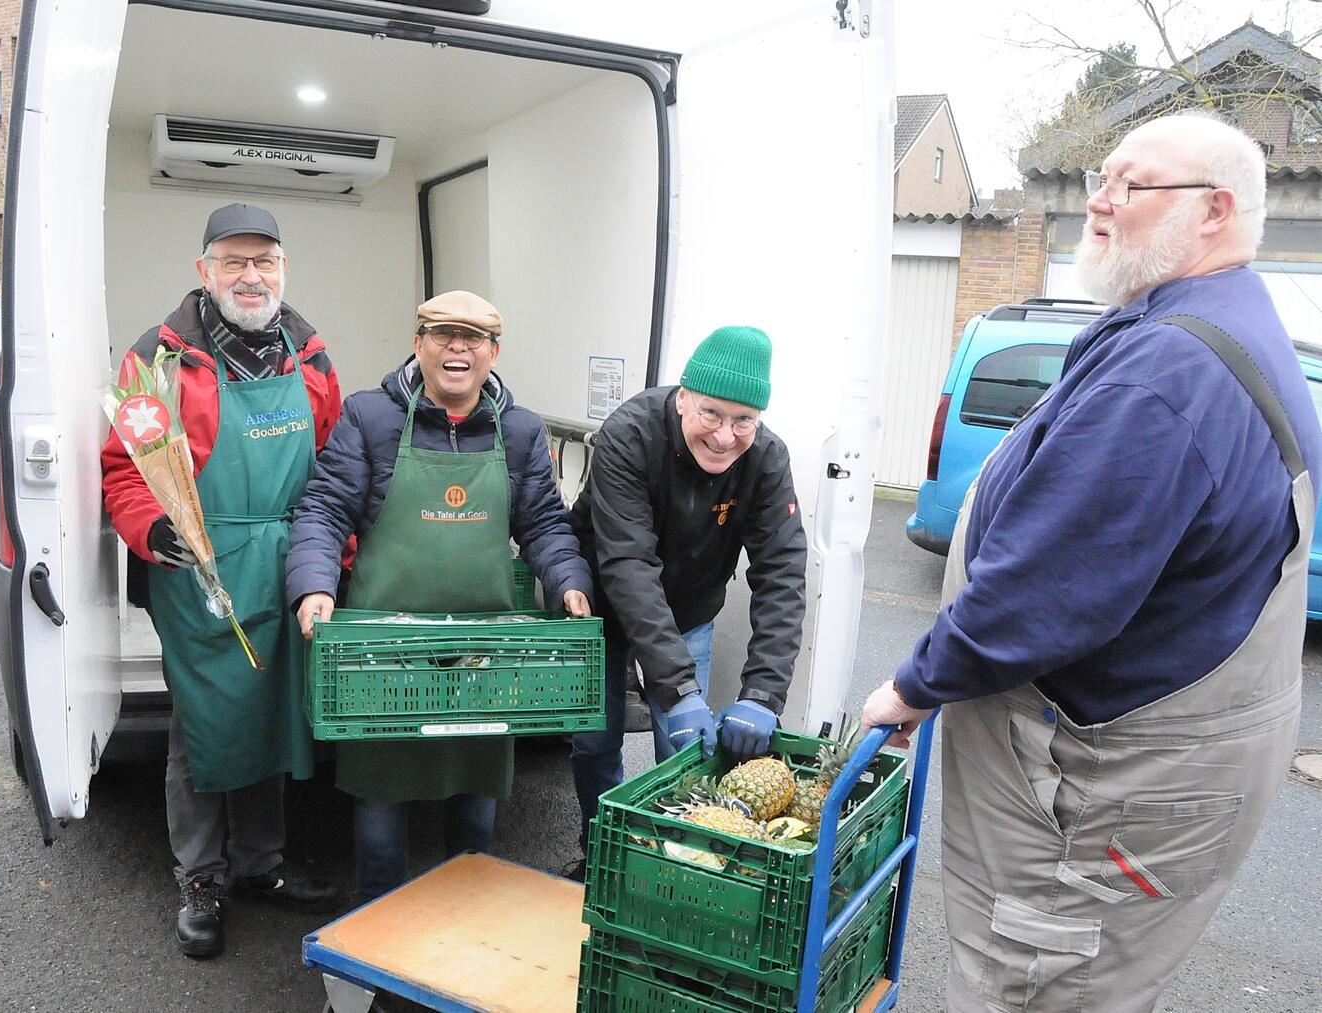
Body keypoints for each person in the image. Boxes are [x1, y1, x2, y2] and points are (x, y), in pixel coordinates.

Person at [862, 112, 1322, 1012]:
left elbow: (1044, 593)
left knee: (1040, 982)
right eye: (1098, 180)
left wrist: (914, 688)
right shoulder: (1210, 320)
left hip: (1101, 796)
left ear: (1216, 210)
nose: (1098, 203)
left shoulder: (1170, 374)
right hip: (1166, 768)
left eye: (1132, 184)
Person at [286, 289, 593, 902]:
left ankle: (465, 927)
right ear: (418, 343)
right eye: (444, 334)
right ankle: (377, 931)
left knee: (476, 802)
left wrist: (570, 582)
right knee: (381, 803)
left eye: (473, 338)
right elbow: (324, 509)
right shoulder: (371, 418)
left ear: (494, 352)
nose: (459, 347)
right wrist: (314, 585)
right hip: (384, 652)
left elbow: (542, 525)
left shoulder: (522, 431)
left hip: (480, 654)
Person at [101, 203, 343, 959]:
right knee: (206, 719)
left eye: (263, 261)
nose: (250, 275)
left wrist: (338, 550)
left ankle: (260, 867)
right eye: (233, 260)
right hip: (202, 564)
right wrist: (153, 526)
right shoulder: (159, 358)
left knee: (272, 708)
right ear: (203, 271)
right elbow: (124, 465)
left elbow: (336, 466)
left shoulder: (312, 355)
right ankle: (200, 877)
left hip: (289, 560)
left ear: (282, 270)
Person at [566, 325, 807, 875]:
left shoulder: (766, 459)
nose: (726, 436)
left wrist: (764, 694)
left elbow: (782, 573)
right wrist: (676, 687)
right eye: (712, 415)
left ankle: (675, 868)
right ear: (682, 400)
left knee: (684, 752)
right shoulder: (629, 435)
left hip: (690, 610)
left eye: (744, 419)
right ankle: (601, 854)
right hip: (599, 605)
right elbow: (628, 564)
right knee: (593, 740)